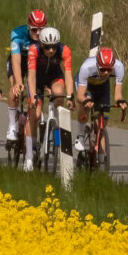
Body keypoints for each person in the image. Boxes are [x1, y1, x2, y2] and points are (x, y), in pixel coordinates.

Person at [26, 26, 74, 171]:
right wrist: (33, 96)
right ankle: (29, 156)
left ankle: (56, 126)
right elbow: (31, 76)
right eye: (47, 47)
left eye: (54, 47)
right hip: (37, 80)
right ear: (41, 44)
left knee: (59, 94)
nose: (51, 50)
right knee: (35, 114)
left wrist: (70, 96)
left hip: (54, 77)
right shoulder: (33, 50)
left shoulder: (64, 50)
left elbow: (68, 75)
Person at [75, 46, 126, 165]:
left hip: (103, 86)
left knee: (102, 124)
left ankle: (101, 159)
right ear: (97, 65)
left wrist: (120, 102)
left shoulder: (119, 67)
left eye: (109, 69)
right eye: (103, 70)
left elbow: (118, 94)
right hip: (86, 86)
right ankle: (80, 136)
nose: (106, 73)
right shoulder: (87, 67)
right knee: (85, 105)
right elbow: (80, 96)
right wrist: (85, 101)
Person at [7, 10, 46, 149]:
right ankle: (12, 126)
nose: (38, 33)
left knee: (35, 98)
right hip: (19, 61)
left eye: (41, 30)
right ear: (28, 27)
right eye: (34, 30)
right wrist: (18, 82)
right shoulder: (17, 34)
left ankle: (32, 133)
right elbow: (16, 61)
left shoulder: (46, 37)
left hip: (35, 65)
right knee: (16, 89)